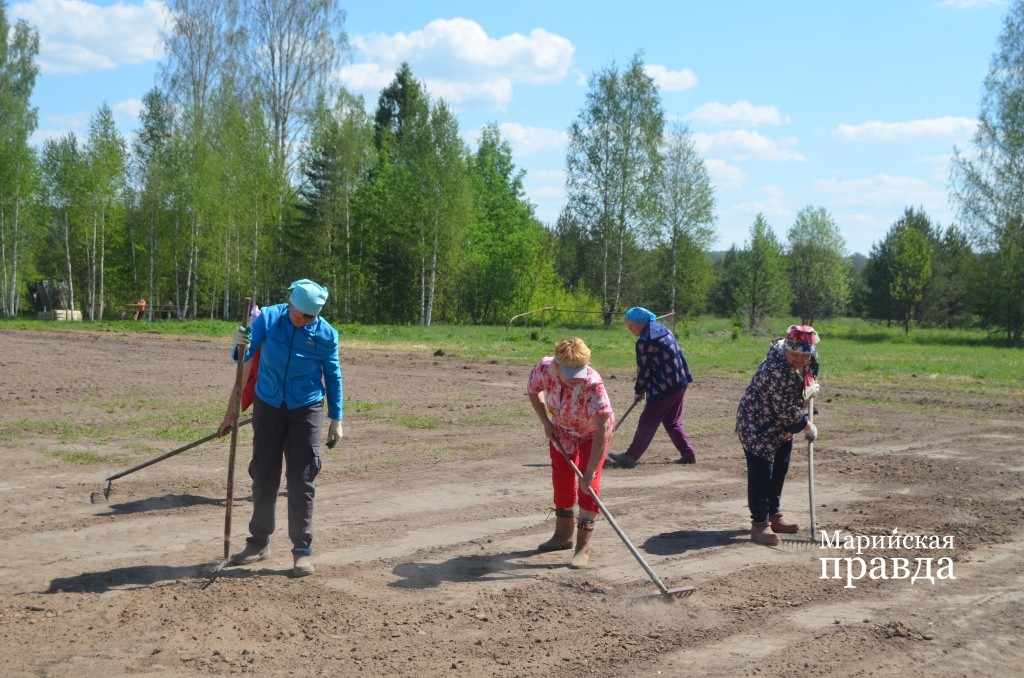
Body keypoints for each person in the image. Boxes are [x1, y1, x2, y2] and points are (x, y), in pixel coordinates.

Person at [218, 279, 343, 577]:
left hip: (306, 409)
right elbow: (244, 358)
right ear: (289, 303)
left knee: (302, 477)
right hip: (269, 403)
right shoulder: (270, 319)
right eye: (298, 313)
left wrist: (337, 418)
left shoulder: (326, 335)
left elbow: (333, 376)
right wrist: (239, 344)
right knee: (263, 473)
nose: (301, 320)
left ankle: (302, 550)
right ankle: (259, 542)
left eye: (309, 317)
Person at [526, 337, 615, 568]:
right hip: (562, 430)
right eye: (569, 372)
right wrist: (546, 422)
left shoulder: (593, 384)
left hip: (591, 434)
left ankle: (582, 546)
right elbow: (533, 391)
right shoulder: (545, 369)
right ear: (556, 366)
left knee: (589, 485)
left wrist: (589, 472)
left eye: (579, 371)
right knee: (562, 479)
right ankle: (562, 535)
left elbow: (602, 430)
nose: (575, 378)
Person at [736, 325, 820, 546]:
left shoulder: (808, 359)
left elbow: (806, 381)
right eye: (795, 354)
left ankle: (774, 515)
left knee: (779, 470)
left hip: (781, 428)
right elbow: (783, 407)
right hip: (758, 425)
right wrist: (805, 424)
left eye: (805, 355)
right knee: (762, 475)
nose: (800, 359)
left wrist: (810, 393)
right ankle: (760, 525)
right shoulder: (775, 370)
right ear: (786, 349)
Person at [607, 307, 696, 469]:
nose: (630, 329)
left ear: (641, 323)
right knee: (671, 420)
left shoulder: (646, 340)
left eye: (631, 326)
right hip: (680, 381)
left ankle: (630, 456)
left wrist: (639, 390)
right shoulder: (662, 329)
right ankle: (688, 453)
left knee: (648, 419)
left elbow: (644, 369)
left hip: (665, 386)